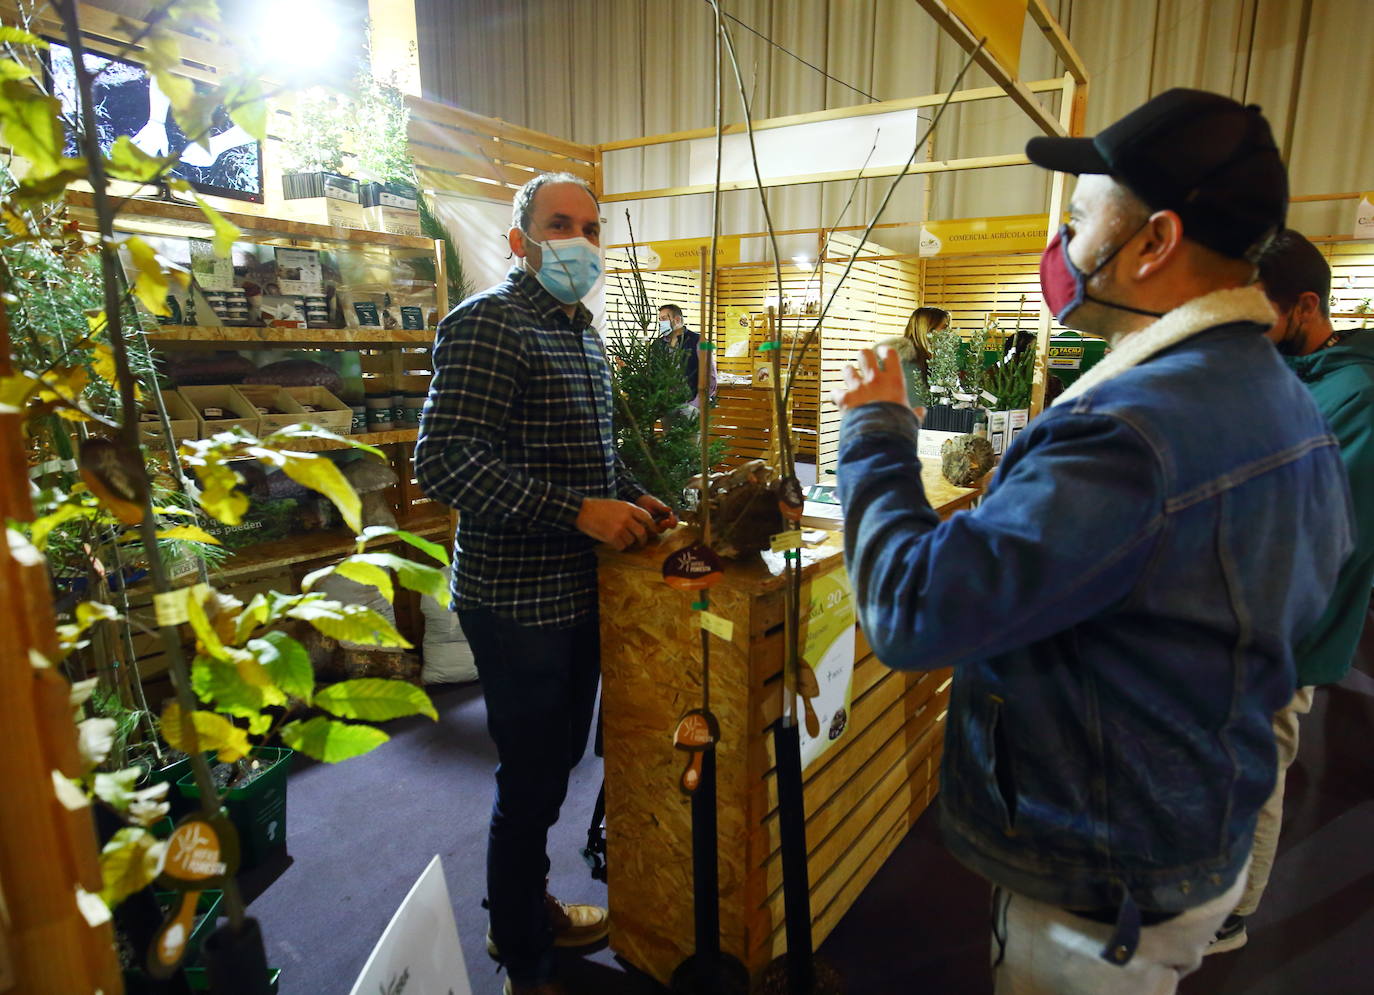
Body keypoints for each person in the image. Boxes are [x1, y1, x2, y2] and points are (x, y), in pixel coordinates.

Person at [831, 89, 1353, 995]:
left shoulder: (1130, 432)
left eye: (1077, 219)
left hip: (1102, 880)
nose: (1064, 247)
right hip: (1189, 823)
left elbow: (910, 612)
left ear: (1153, 241)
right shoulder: (1279, 397)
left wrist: (877, 433)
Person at [415, 171, 677, 995]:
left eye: (593, 228)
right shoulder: (488, 325)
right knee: (529, 779)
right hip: (514, 600)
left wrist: (628, 492)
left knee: (556, 764)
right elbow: (445, 460)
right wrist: (578, 512)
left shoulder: (579, 331)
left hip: (574, 594)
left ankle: (526, 909)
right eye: (561, 224)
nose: (581, 241)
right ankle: (520, 947)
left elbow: (584, 455)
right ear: (520, 240)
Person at [1208, 228, 1374, 953]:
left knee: (1258, 764)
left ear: (1306, 306)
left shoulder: (1356, 395)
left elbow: (1299, 522)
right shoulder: (1297, 376)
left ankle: (1232, 914)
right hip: (1238, 622)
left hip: (1284, 633)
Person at [876, 305, 948, 409]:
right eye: (945, 328)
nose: (949, 333)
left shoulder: (926, 360)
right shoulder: (907, 364)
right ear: (929, 330)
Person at [657, 303, 717, 413]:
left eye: (664, 319)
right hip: (667, 405)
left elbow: (710, 376)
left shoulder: (698, 341)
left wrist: (695, 405)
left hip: (692, 405)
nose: (661, 323)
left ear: (677, 319)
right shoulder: (658, 344)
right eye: (659, 319)